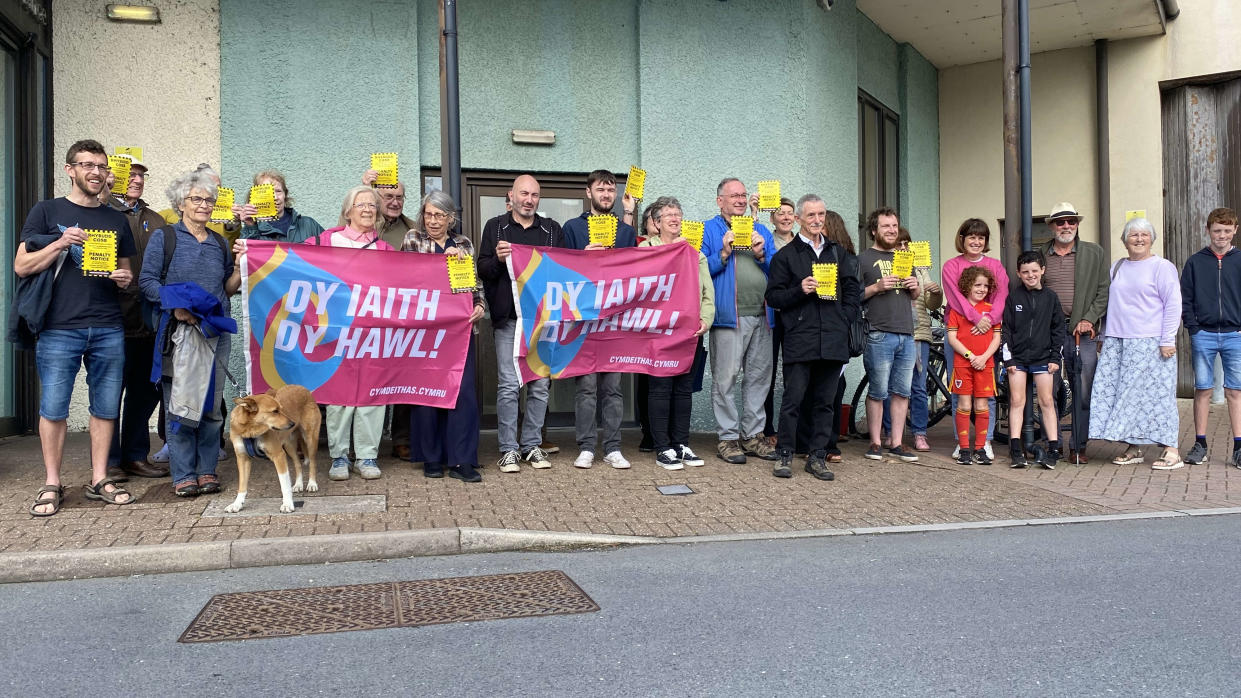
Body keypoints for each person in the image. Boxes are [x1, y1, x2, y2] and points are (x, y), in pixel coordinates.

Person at [16, 139, 137, 516]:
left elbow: (128, 272)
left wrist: (123, 278)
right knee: (53, 408)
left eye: (101, 166)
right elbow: (21, 266)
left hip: (107, 325)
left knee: (105, 407)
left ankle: (99, 478)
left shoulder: (116, 220)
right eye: (87, 165)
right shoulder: (46, 211)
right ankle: (52, 482)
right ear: (70, 170)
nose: (95, 172)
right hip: (58, 326)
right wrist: (60, 242)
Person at [139, 169, 241, 497]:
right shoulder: (165, 238)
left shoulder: (218, 244)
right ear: (181, 203)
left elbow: (227, 288)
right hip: (178, 333)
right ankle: (183, 474)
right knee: (179, 406)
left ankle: (207, 470)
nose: (204, 205)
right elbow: (147, 283)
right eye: (196, 199)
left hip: (214, 333)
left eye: (209, 200)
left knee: (211, 407)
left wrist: (239, 268)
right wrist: (176, 307)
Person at [765, 194, 861, 480]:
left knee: (825, 402)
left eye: (821, 214)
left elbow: (852, 290)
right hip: (800, 337)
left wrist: (845, 318)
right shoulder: (786, 256)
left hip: (833, 338)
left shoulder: (837, 253)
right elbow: (773, 297)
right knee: (793, 400)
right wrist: (800, 289)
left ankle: (818, 457)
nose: (817, 220)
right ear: (798, 219)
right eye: (811, 216)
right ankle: (785, 454)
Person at [477, 174, 565, 472]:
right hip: (508, 320)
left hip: (542, 321)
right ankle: (508, 449)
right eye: (524, 194)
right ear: (511, 196)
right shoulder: (495, 227)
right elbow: (482, 269)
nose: (529, 200)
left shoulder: (552, 230)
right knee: (509, 386)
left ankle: (531, 445)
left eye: (535, 195)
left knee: (540, 386)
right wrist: (499, 261)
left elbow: (563, 270)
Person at [307, 186, 394, 481]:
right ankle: (339, 456)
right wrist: (252, 251)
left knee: (372, 393)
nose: (368, 209)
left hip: (371, 333)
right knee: (339, 394)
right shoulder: (326, 241)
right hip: (336, 331)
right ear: (348, 211)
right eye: (361, 204)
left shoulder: (385, 250)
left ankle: (367, 456)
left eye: (372, 205)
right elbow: (291, 260)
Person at [401, 190, 486, 482]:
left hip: (459, 331)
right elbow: (407, 279)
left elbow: (474, 284)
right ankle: (432, 458)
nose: (433, 221)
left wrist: (479, 305)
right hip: (425, 331)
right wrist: (441, 262)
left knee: (462, 395)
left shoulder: (464, 243)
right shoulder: (414, 238)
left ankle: (462, 460)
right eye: (428, 214)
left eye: (439, 215)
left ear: (451, 218)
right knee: (427, 395)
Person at [1090, 218, 1183, 470]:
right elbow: (1112, 305)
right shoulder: (1118, 266)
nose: (1139, 239)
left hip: (1151, 342)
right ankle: (1135, 446)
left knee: (1157, 396)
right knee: (1125, 395)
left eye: (1144, 235)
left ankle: (1171, 449)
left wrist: (1167, 339)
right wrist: (1104, 336)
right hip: (1118, 341)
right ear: (1125, 240)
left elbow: (1173, 304)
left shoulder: (1162, 267)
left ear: (1151, 239)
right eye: (1133, 235)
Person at [561, 170, 638, 470]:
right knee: (587, 387)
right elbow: (562, 269)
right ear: (588, 192)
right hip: (583, 319)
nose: (606, 195)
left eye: (610, 190)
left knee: (613, 388)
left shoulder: (626, 232)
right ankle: (586, 447)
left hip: (615, 320)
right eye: (600, 189)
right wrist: (583, 256)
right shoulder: (572, 228)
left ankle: (613, 447)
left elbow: (636, 274)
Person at [701, 178, 778, 464]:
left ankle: (753, 436)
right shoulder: (709, 229)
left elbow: (777, 269)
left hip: (762, 315)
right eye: (733, 196)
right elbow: (697, 269)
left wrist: (762, 255)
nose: (740, 200)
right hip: (727, 317)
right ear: (719, 200)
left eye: (743, 195)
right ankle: (728, 438)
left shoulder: (760, 230)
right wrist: (722, 253)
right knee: (725, 380)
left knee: (758, 379)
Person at [107, 155, 171, 479]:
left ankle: (134, 455)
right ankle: (108, 462)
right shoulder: (102, 214)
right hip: (113, 320)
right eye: (130, 174)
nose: (136, 179)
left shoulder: (157, 220)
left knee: (144, 393)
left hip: (148, 323)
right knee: (108, 393)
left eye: (141, 175)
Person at [639, 197, 713, 470]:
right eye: (668, 215)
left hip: (689, 331)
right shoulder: (646, 249)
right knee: (660, 388)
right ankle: (662, 447)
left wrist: (706, 320)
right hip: (658, 331)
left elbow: (707, 293)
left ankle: (681, 443)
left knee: (683, 389)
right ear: (656, 223)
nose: (674, 218)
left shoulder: (694, 253)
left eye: (678, 214)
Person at [1039, 202, 1109, 464]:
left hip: (1083, 334)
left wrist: (1089, 318)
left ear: (1077, 224)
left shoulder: (1094, 252)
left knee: (1082, 390)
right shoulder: (1041, 254)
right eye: (1060, 222)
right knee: (1049, 390)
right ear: (1051, 226)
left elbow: (1104, 291)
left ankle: (1078, 445)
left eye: (1071, 221)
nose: (1066, 226)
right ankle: (1052, 443)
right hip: (1050, 335)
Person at [360, 172, 417, 460]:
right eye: (388, 197)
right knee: (369, 377)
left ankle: (401, 439)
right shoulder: (366, 224)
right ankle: (363, 441)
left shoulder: (413, 230)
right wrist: (365, 188)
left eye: (399, 197)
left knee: (403, 376)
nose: (394, 202)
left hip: (402, 315)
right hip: (368, 313)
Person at [941, 219, 1009, 461]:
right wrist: (974, 317)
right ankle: (963, 445)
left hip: (987, 334)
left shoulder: (995, 266)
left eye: (981, 237)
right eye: (971, 236)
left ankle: (985, 441)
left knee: (985, 394)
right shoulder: (951, 265)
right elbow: (954, 296)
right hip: (959, 334)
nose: (976, 241)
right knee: (960, 394)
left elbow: (1001, 295)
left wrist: (989, 319)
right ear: (962, 239)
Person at [859, 207, 922, 462]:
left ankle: (896, 442)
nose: (891, 230)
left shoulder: (905, 257)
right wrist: (876, 287)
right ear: (874, 230)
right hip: (878, 333)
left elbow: (916, 296)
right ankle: (875, 442)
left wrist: (915, 286)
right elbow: (854, 297)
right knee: (877, 391)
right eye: (886, 226)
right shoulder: (862, 259)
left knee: (902, 392)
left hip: (907, 333)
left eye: (894, 226)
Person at [1180, 207, 1241, 467]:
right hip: (1203, 334)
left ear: (1235, 231)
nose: (1222, 235)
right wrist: (1193, 327)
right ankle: (1200, 443)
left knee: (1235, 391)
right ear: (1208, 230)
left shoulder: (1239, 259)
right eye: (1217, 230)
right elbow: (1186, 298)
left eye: (1227, 231)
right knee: (1202, 389)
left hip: (1235, 335)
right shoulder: (1196, 262)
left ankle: (1239, 446)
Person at [1002, 250, 1066, 469]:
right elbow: (1006, 330)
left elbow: (1058, 329)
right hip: (1018, 358)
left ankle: (1053, 449)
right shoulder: (1014, 297)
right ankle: (1016, 449)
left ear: (1042, 271)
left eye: (1034, 271)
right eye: (1025, 272)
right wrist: (1008, 360)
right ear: (1019, 274)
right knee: (1017, 401)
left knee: (1047, 401)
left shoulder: (1051, 298)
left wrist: (1055, 357)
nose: (1030, 275)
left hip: (1043, 357)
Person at [946, 266, 1002, 464]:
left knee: (982, 404)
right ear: (967, 285)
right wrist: (971, 356)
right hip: (963, 364)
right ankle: (963, 449)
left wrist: (984, 357)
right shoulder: (957, 309)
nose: (982, 289)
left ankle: (980, 447)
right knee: (964, 404)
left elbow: (997, 338)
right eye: (977, 284)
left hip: (985, 364)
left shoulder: (991, 310)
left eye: (986, 286)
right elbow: (952, 338)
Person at [763, 197, 798, 443]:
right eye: (780, 213)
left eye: (789, 213)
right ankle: (767, 428)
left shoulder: (802, 244)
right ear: (772, 218)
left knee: (794, 372)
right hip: (773, 313)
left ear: (796, 218)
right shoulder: (767, 240)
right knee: (768, 370)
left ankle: (792, 429)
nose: (785, 217)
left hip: (796, 314)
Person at [236, 170, 323, 244]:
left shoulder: (309, 224)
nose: (274, 197)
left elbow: (330, 253)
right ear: (255, 197)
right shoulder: (252, 228)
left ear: (285, 195)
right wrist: (251, 227)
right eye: (267, 193)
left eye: (278, 191)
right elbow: (245, 260)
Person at [635, 205, 660, 452]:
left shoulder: (677, 245)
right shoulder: (639, 245)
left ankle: (663, 430)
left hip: (666, 322)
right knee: (646, 380)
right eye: (653, 219)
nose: (657, 223)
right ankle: (648, 431)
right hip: (644, 323)